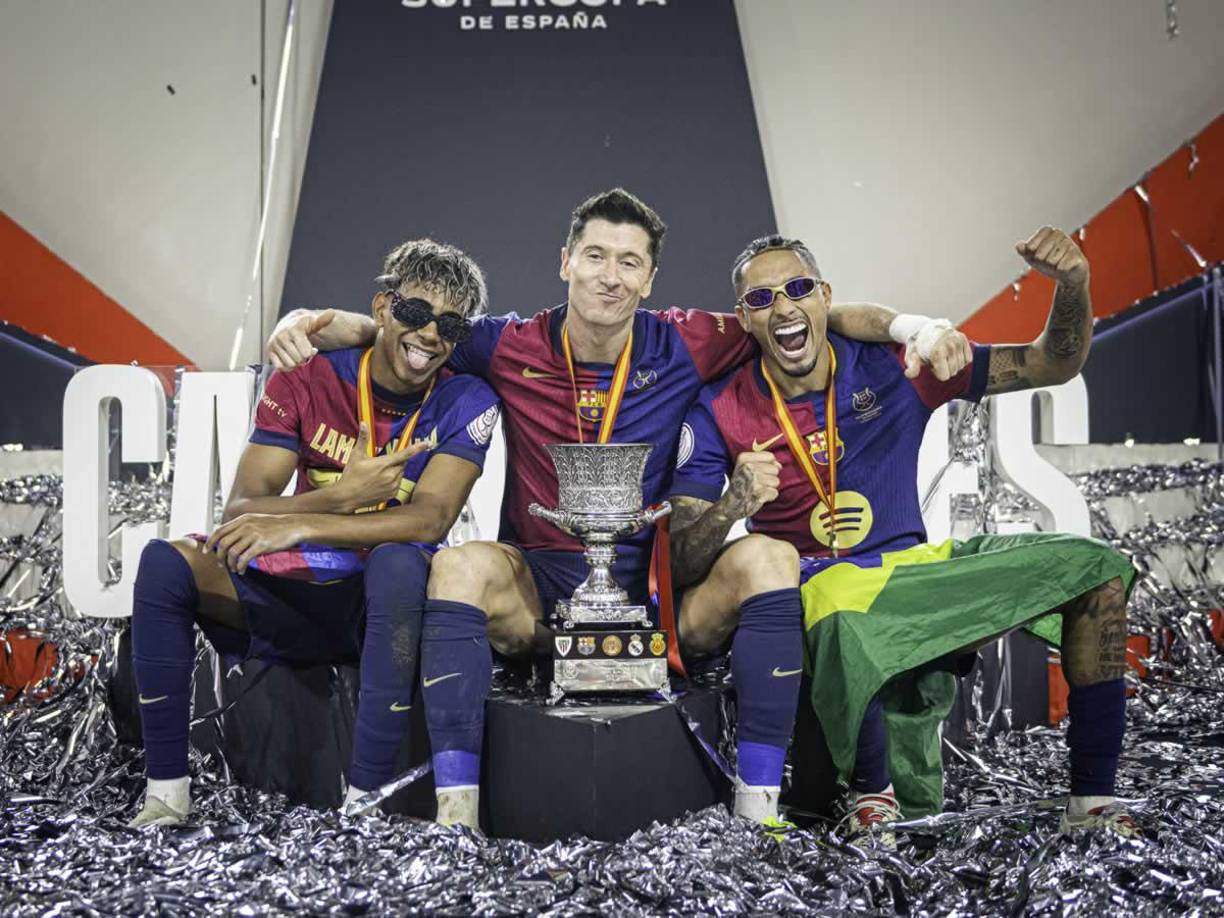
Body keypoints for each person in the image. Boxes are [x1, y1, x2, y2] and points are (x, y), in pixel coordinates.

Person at [266, 188, 968, 830]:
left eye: (630, 262)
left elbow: (810, 310)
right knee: (457, 569)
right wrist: (309, 323)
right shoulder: (508, 343)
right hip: (537, 590)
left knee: (770, 556)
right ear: (566, 261)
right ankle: (458, 817)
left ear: (650, 280)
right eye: (596, 256)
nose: (611, 275)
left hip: (656, 597)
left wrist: (916, 328)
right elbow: (408, 329)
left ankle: (757, 812)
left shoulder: (691, 339)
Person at [668, 228, 1136, 844]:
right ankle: (871, 795)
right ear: (744, 319)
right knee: (834, 599)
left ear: (823, 297)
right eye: (762, 299)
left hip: (915, 574)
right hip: (818, 595)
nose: (783, 307)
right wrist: (733, 503)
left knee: (1097, 570)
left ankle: (1094, 797)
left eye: (798, 289)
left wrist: (1074, 285)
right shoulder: (718, 409)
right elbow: (679, 557)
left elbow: (1055, 361)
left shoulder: (897, 366)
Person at [128, 239, 500, 827]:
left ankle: (365, 804)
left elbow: (430, 519)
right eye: (413, 313)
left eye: (448, 325)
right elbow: (242, 510)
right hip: (295, 593)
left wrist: (301, 520)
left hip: (383, 612)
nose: (429, 335)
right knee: (165, 562)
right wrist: (339, 498)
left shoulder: (466, 398)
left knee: (400, 561)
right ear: (382, 308)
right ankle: (165, 795)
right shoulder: (307, 377)